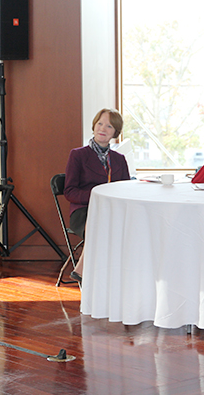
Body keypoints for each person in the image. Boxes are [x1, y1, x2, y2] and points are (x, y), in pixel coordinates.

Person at [64, 108, 131, 283]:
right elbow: (69, 191)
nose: (103, 128)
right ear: (93, 126)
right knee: (101, 219)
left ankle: (84, 269)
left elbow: (126, 189)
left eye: (109, 126)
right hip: (84, 211)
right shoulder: (78, 155)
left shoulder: (119, 159)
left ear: (115, 132)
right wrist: (98, 196)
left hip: (113, 211)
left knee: (128, 221)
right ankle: (84, 269)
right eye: (100, 123)